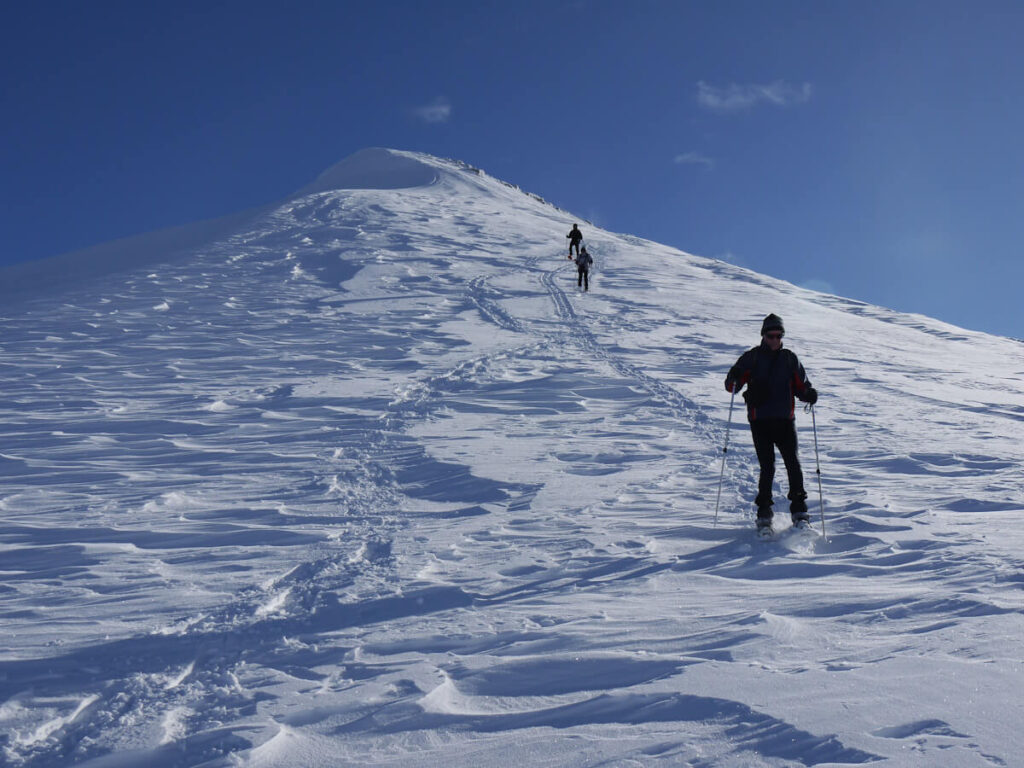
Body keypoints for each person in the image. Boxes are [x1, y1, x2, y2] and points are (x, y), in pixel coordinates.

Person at [724, 314, 819, 533]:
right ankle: (764, 513)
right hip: (760, 421)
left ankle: (799, 511)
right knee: (768, 466)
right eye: (771, 335)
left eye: (779, 335)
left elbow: (801, 386)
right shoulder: (752, 357)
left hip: (785, 420)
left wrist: (809, 394)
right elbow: (731, 387)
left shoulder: (789, 359)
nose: (775, 339)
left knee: (793, 463)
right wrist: (735, 376)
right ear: (763, 335)